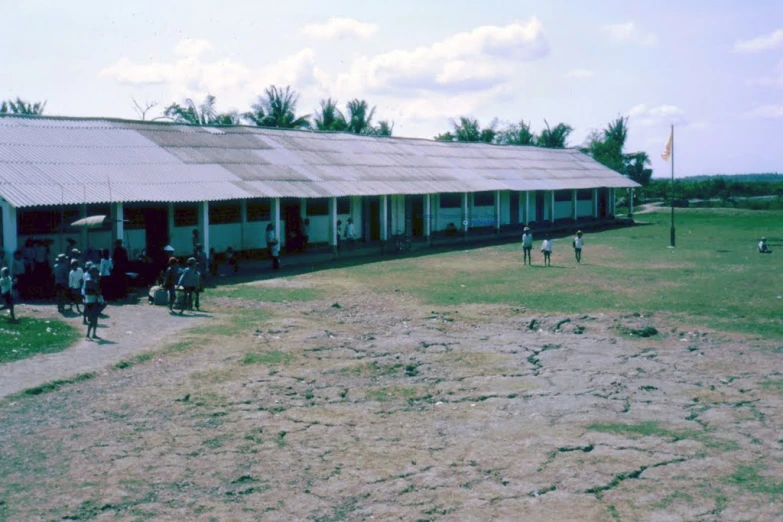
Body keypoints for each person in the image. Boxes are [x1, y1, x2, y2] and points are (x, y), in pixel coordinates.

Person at [83, 265, 102, 339]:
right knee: (92, 320)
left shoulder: (94, 280)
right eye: (95, 272)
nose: (97, 273)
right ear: (92, 272)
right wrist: (97, 293)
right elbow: (88, 291)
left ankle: (93, 334)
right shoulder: (89, 280)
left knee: (95, 319)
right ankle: (88, 334)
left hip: (94, 301)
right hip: (90, 302)